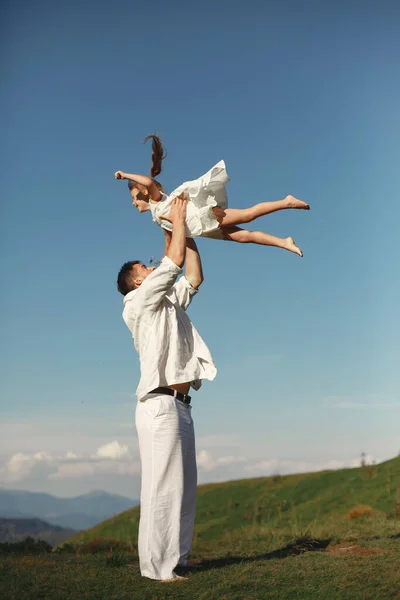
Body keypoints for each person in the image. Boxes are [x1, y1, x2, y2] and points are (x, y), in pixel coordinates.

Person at [117, 195, 216, 582]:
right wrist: (173, 215)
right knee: (162, 489)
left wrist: (183, 231)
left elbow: (192, 276)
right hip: (159, 405)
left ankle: (178, 559)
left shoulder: (165, 303)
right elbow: (171, 262)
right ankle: (156, 569)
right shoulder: (137, 302)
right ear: (139, 280)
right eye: (146, 266)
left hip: (182, 405)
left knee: (183, 489)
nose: (152, 264)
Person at [115, 135, 309, 257]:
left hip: (206, 216)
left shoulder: (157, 200)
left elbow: (148, 182)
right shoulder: (157, 216)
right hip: (206, 230)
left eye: (135, 197)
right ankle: (284, 242)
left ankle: (287, 202)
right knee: (244, 237)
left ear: (146, 194)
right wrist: (165, 264)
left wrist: (124, 175)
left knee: (248, 215)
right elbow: (169, 240)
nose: (133, 203)